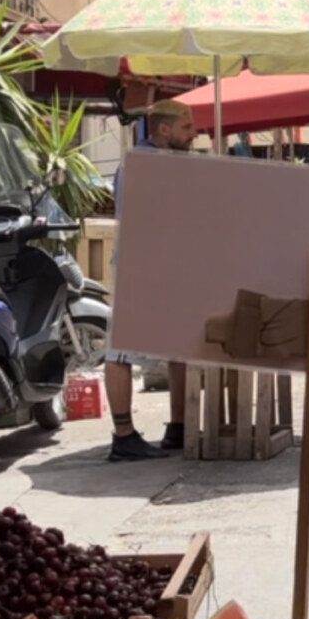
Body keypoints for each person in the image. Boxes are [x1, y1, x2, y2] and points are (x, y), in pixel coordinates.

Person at [105, 99, 195, 462]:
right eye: (186, 128)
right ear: (163, 130)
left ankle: (178, 427)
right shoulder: (142, 164)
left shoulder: (165, 163)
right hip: (138, 264)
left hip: (163, 264)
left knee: (180, 344)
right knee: (121, 348)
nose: (194, 135)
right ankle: (123, 435)